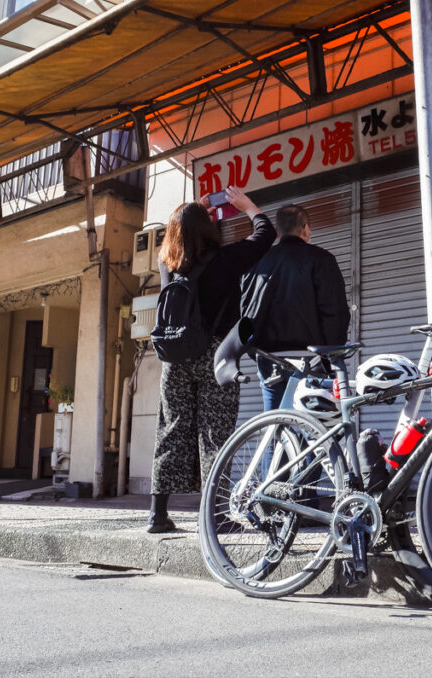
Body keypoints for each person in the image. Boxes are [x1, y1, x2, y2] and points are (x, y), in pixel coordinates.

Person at [148, 187, 275, 533]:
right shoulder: (226, 258)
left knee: (170, 430)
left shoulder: (167, 262)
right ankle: (215, 516)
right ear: (209, 229)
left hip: (175, 357)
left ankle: (157, 515)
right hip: (216, 356)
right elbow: (266, 234)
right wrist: (247, 206)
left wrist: (190, 212)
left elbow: (175, 232)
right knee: (215, 435)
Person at [240, 203, 350, 410]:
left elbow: (245, 310)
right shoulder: (322, 259)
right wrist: (331, 356)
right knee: (313, 427)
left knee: (275, 424)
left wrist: (254, 351)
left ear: (278, 231)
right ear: (306, 228)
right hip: (311, 358)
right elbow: (334, 312)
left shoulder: (257, 262)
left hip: (269, 358)